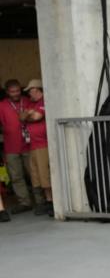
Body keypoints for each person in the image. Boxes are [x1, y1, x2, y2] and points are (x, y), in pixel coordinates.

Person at [0, 79, 34, 213]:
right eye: (12, 91)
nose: (15, 94)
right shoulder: (1, 105)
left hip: (29, 144)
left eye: (18, 91)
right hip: (11, 146)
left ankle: (41, 201)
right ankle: (24, 202)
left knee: (34, 174)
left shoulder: (27, 101)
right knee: (16, 176)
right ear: (7, 92)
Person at [23, 79, 54, 217]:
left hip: (43, 145)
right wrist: (27, 114)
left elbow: (36, 117)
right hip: (32, 145)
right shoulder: (31, 103)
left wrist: (28, 114)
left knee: (45, 175)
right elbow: (21, 116)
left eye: (30, 90)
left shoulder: (44, 102)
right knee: (36, 175)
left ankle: (51, 202)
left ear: (37, 89)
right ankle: (45, 201)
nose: (29, 93)